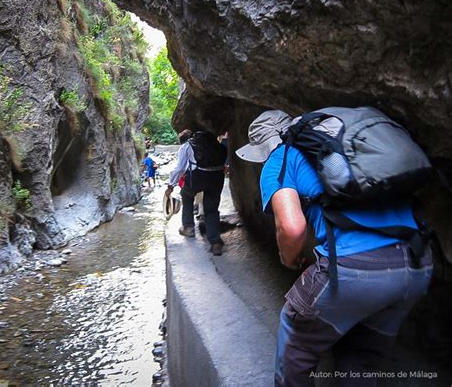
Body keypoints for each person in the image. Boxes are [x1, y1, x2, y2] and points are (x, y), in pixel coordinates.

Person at [236, 110, 433, 387]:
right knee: (362, 356)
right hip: (417, 262)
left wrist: (288, 258)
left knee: (297, 338)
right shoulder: (345, 150)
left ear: (266, 144)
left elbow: (292, 228)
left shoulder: (280, 158)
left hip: (357, 272)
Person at [165, 129, 227, 256]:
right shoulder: (213, 144)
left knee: (186, 196)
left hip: (197, 177)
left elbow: (180, 168)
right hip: (216, 176)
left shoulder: (187, 146)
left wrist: (171, 185)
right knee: (212, 209)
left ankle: (188, 228)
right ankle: (215, 243)